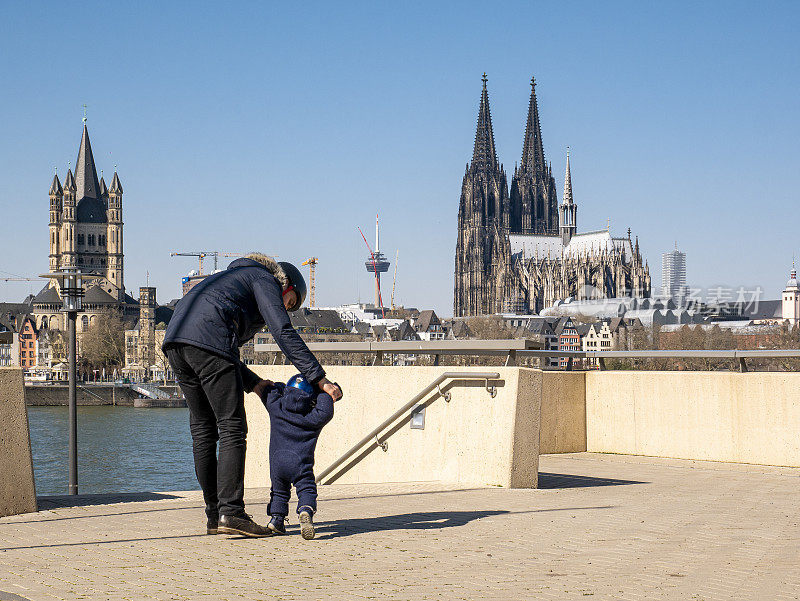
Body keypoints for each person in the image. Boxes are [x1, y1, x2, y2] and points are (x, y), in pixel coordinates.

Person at [163, 253, 343, 537]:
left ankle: (215, 515)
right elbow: (282, 331)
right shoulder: (264, 279)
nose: (287, 307)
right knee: (232, 427)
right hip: (205, 343)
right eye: (290, 302)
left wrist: (254, 383)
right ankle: (231, 512)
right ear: (285, 285)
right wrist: (318, 378)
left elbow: (226, 351)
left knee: (203, 431)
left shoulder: (228, 281)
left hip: (174, 343)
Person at [259, 374, 335, 540]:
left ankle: (276, 520)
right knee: (306, 487)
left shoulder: (276, 407)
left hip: (277, 463)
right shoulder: (313, 418)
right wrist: (321, 389)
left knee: (278, 492)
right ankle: (305, 510)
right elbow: (327, 408)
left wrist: (282, 387)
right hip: (300, 463)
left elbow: (270, 389)